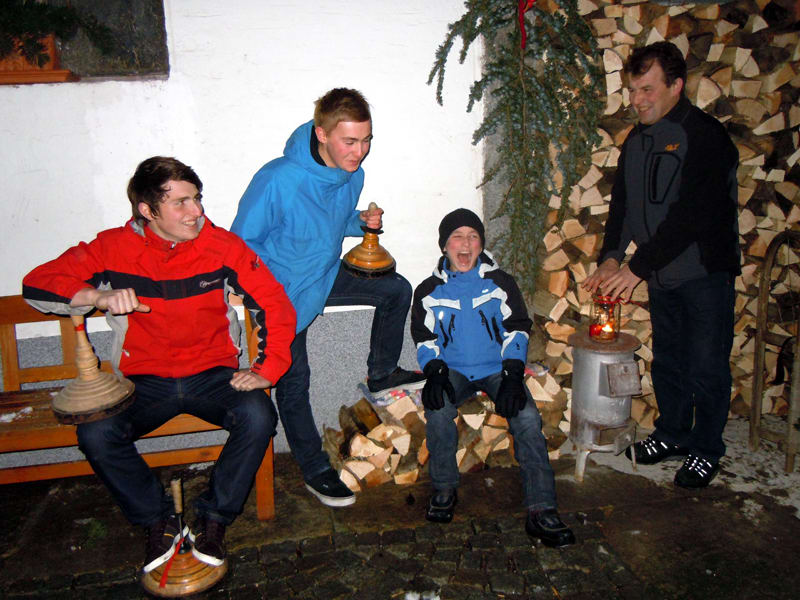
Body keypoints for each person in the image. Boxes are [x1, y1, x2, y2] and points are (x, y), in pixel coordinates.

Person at [22, 157, 296, 573]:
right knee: (95, 432)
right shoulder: (111, 248)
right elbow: (36, 284)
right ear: (147, 210)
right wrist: (96, 297)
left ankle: (214, 518)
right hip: (141, 382)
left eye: (197, 198)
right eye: (180, 202)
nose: (196, 211)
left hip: (212, 375)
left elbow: (274, 303)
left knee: (258, 416)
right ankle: (158, 520)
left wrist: (266, 369)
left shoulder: (223, 246)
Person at [232, 88, 425, 508]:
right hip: (282, 291)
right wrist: (271, 295)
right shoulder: (278, 178)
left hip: (323, 274)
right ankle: (314, 469)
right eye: (349, 141)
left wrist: (360, 222)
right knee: (294, 379)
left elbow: (329, 223)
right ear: (321, 134)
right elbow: (240, 245)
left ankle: (381, 373)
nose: (360, 151)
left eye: (366, 140)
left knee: (395, 289)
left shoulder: (352, 175)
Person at [582, 41, 740, 489]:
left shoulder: (705, 136)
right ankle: (672, 433)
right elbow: (623, 206)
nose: (637, 100)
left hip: (705, 274)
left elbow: (694, 213)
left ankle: (706, 448)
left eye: (647, 89)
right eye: (633, 90)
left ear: (676, 85)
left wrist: (636, 268)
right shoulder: (637, 140)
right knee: (669, 360)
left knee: (706, 366)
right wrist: (611, 256)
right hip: (663, 276)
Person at [410, 208, 575, 547]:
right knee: (438, 409)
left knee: (526, 416)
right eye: (457, 237)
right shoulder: (428, 290)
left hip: (497, 369)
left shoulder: (500, 283)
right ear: (444, 246)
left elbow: (517, 329)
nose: (465, 244)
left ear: (481, 244)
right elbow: (424, 339)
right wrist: (435, 371)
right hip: (453, 371)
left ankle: (542, 508)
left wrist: (513, 374)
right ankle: (444, 489)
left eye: (473, 237)